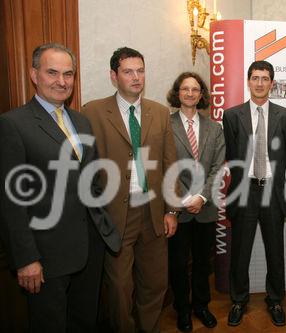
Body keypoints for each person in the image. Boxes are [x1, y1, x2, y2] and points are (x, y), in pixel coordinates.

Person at [0, 43, 120, 332]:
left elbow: (90, 181)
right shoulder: (12, 124)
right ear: (33, 74)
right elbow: (11, 201)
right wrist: (27, 258)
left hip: (90, 249)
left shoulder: (81, 121)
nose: (62, 81)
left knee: (84, 321)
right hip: (46, 256)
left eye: (68, 74)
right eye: (52, 72)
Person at [81, 47, 178, 333]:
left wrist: (172, 209)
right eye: (128, 72)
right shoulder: (92, 112)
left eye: (140, 70)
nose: (136, 77)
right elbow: (86, 169)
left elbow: (170, 163)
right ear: (114, 76)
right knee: (119, 289)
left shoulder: (159, 113)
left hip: (154, 213)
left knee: (154, 283)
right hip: (115, 216)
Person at [223, 60, 286, 327]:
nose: (260, 83)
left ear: (273, 83)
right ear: (248, 81)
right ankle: (238, 300)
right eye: (255, 78)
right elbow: (232, 155)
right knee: (240, 252)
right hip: (244, 192)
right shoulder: (231, 116)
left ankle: (275, 300)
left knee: (276, 251)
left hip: (273, 193)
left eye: (265, 78)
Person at [166, 72, 225, 332]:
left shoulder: (215, 128)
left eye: (195, 89)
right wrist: (180, 200)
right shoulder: (163, 125)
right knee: (178, 264)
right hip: (175, 209)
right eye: (185, 89)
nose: (190, 93)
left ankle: (201, 305)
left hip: (205, 208)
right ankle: (182, 309)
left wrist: (201, 197)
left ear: (202, 95)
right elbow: (164, 167)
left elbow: (217, 168)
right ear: (177, 93)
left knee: (203, 262)